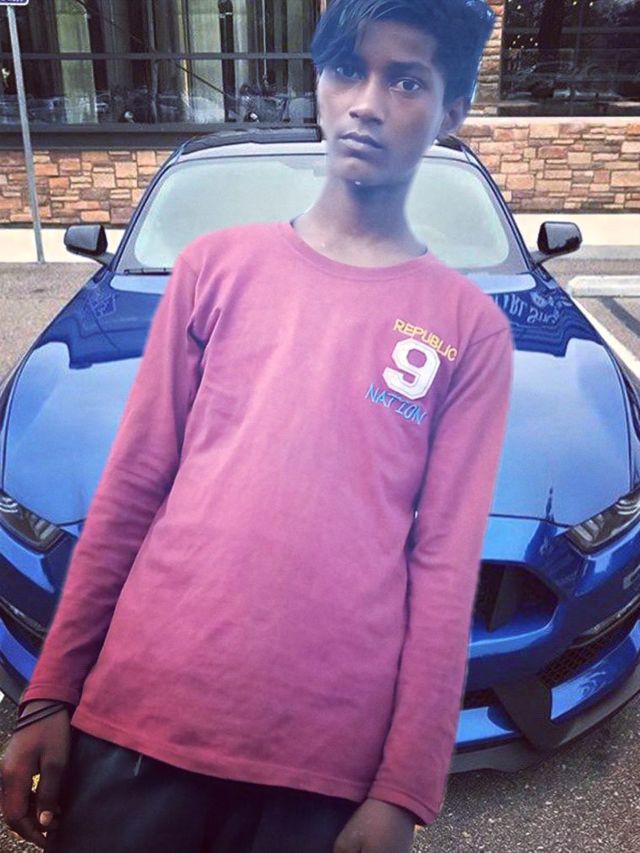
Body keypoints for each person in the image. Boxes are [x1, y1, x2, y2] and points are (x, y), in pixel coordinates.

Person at [1, 1, 511, 851]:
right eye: (348, 70)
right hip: (141, 719)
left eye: (406, 80)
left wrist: (405, 788)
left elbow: (445, 566)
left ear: (452, 108)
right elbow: (131, 491)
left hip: (322, 763)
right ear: (319, 82)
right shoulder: (213, 269)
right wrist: (50, 694)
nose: (368, 102)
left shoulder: (469, 329)